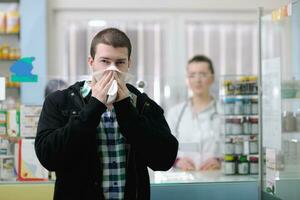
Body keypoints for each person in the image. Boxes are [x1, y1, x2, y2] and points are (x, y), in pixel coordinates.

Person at [35, 28, 178, 200]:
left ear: (129, 64)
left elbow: (164, 160)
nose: (112, 70)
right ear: (91, 62)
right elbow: (48, 157)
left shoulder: (142, 104)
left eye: (120, 62)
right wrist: (94, 107)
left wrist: (126, 109)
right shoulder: (60, 101)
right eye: (104, 61)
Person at [167, 55, 221, 171]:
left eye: (203, 74)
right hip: (184, 179)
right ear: (187, 79)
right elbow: (164, 148)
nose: (197, 80)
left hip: (216, 179)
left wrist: (220, 160)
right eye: (192, 75)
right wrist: (177, 161)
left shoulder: (225, 113)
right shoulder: (175, 113)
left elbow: (235, 146)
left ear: (212, 78)